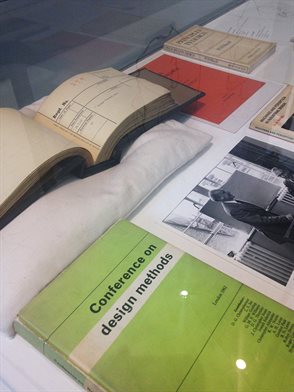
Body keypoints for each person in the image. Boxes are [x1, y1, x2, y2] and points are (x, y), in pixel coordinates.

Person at [209, 189, 294, 244]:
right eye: (224, 192)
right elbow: (260, 220)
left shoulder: (233, 202)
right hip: (277, 229)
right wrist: (284, 218)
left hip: (280, 224)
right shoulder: (232, 210)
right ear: (221, 198)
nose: (228, 191)